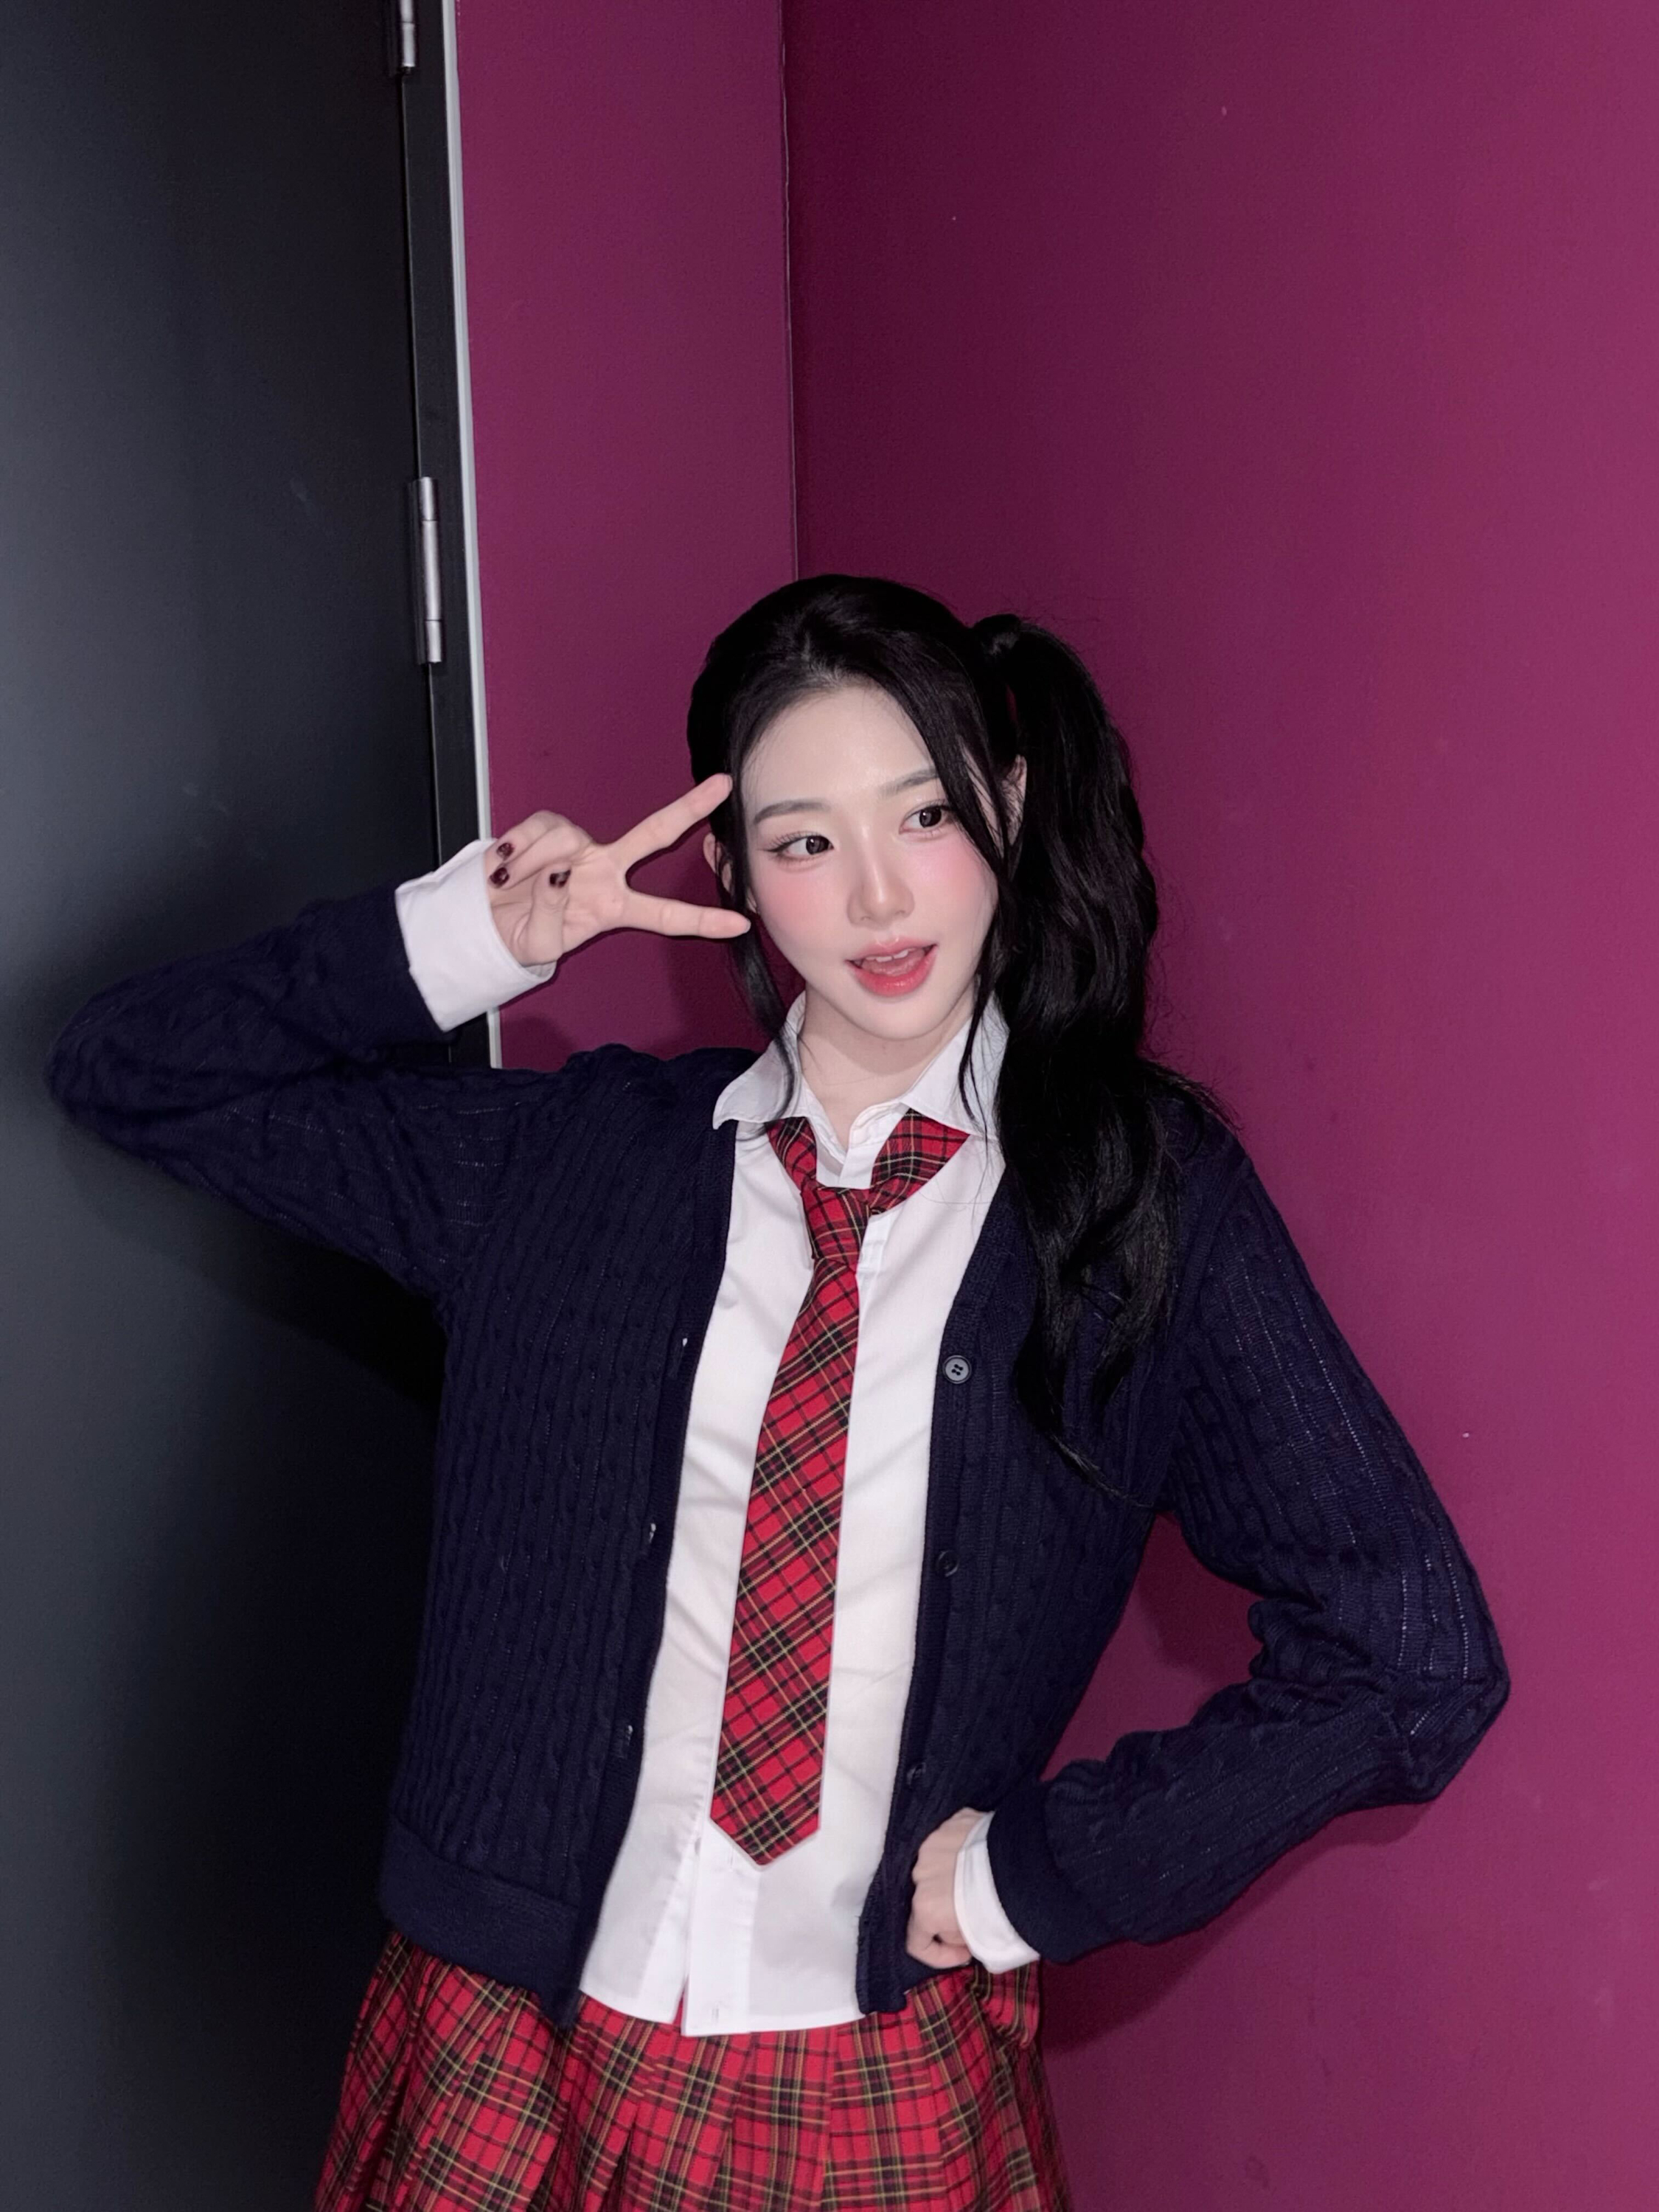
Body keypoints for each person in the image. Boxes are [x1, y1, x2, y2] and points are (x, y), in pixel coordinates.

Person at [47, 574, 1508, 2211]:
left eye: (926, 814)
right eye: (805, 840)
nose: (879, 894)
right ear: (733, 874)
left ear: (1010, 806)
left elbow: (1414, 1653)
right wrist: (484, 936)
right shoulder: (564, 1164)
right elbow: (133, 1071)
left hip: (869, 2071)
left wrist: (1046, 1876)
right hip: (505, 2044)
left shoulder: (1137, 1206)